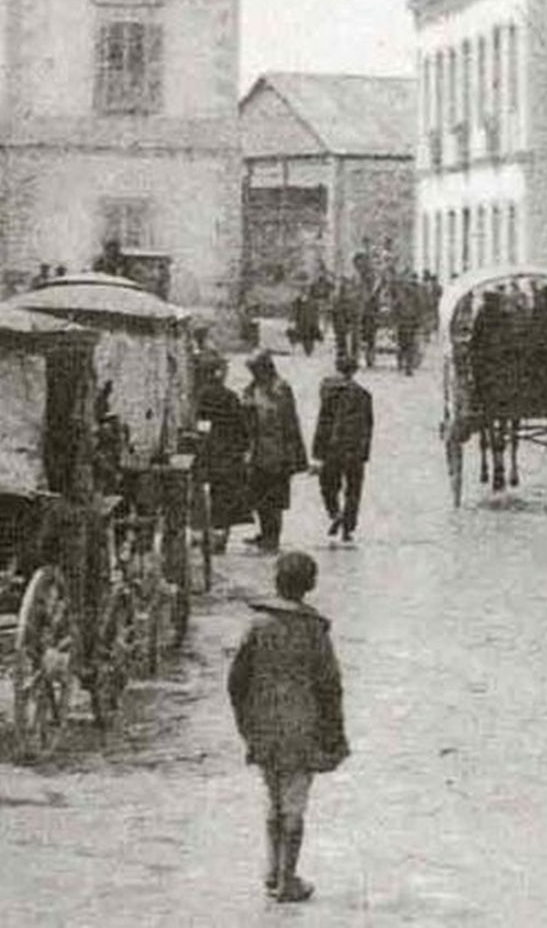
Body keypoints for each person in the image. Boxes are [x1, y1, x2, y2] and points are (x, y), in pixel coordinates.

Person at [227, 550, 348, 903]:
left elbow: (236, 680)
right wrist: (335, 734)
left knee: (273, 797)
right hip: (302, 726)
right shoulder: (314, 630)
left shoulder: (257, 625)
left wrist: (245, 722)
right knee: (294, 804)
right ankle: (287, 878)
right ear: (310, 586)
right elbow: (330, 686)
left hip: (263, 725)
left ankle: (271, 870)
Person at [241, 350, 308, 553]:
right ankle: (265, 533)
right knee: (259, 495)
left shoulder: (280, 389)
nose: (253, 373)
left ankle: (272, 538)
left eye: (256, 369)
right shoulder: (252, 389)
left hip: (278, 452)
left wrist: (292, 455)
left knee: (275, 498)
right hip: (258, 451)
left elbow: (288, 422)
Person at [311, 353, 373, 542]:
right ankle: (348, 527)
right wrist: (365, 451)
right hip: (354, 449)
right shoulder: (363, 394)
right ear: (354, 371)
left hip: (331, 448)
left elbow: (323, 422)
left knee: (328, 485)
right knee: (353, 490)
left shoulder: (328, 392)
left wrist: (317, 451)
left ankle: (335, 512)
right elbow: (368, 425)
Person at [196, 358, 251, 552]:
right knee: (226, 496)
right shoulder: (229, 397)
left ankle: (208, 534)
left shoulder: (200, 396)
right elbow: (242, 427)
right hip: (228, 453)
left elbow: (198, 424)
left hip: (207, 453)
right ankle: (221, 536)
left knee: (206, 495)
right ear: (218, 373)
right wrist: (244, 447)